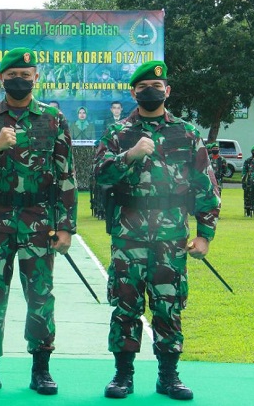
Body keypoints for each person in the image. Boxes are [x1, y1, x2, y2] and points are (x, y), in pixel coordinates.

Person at [93, 60, 220, 400]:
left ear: (168, 91)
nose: (151, 90)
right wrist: (129, 155)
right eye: (143, 86)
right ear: (133, 91)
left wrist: (205, 234)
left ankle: (169, 376)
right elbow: (101, 176)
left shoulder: (187, 133)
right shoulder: (117, 133)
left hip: (171, 236)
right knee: (125, 304)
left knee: (168, 305)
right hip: (128, 235)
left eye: (157, 85)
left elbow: (206, 187)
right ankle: (123, 375)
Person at [0, 47, 77, 396]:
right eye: (13, 75)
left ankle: (41, 368)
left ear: (36, 78)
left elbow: (65, 175)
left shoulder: (53, 119)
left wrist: (66, 226)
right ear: (1, 78)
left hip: (39, 220)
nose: (20, 80)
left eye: (26, 75)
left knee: (40, 295)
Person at [241, 145, 254, 217]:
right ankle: (248, 212)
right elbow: (244, 171)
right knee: (247, 197)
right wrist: (243, 181)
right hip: (249, 181)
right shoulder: (248, 160)